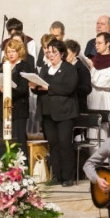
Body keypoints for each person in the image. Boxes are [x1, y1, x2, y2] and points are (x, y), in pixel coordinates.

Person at [31, 39, 78, 187]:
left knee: (65, 144)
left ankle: (68, 177)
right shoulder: (45, 69)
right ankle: (57, 176)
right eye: (49, 52)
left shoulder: (69, 69)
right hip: (47, 112)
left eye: (54, 52)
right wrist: (34, 87)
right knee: (53, 144)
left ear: (62, 53)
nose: (51, 55)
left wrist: (49, 87)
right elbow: (41, 88)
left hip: (64, 112)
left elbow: (68, 88)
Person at [0, 39, 31, 154]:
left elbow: (23, 89)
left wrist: (8, 91)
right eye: (8, 52)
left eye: (13, 51)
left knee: (18, 140)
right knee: (4, 141)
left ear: (19, 52)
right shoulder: (3, 66)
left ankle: (21, 164)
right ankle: (5, 164)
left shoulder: (24, 66)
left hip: (18, 108)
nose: (10, 54)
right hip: (4, 108)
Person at [87, 32, 110, 138]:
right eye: (95, 43)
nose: (96, 45)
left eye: (99, 43)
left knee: (105, 135)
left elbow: (105, 82)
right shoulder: (94, 60)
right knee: (93, 134)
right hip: (92, 101)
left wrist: (92, 69)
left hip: (106, 102)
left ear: (108, 44)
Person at [65, 39, 91, 113]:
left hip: (77, 107)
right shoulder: (63, 66)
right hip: (66, 106)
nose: (65, 56)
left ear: (74, 53)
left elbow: (87, 89)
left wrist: (71, 87)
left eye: (67, 53)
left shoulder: (82, 69)